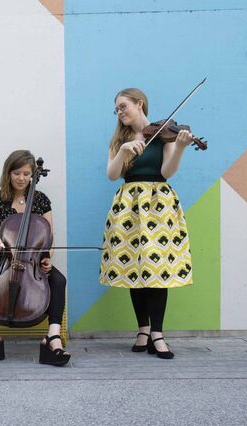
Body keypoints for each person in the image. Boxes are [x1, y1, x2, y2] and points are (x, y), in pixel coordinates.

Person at [100, 88, 194, 359]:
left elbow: (167, 171)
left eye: (123, 106)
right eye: (116, 109)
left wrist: (181, 148)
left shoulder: (164, 133)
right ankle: (142, 330)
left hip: (158, 205)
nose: (120, 112)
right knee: (134, 269)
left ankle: (157, 333)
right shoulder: (119, 139)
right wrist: (124, 151)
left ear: (139, 104)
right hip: (128, 205)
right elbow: (111, 174)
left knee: (157, 268)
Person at [0, 149, 70, 366]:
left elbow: (49, 239)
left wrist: (46, 258)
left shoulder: (40, 200)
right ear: (8, 173)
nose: (21, 178)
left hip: (32, 263)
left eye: (27, 174)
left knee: (59, 280)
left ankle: (52, 337)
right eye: (17, 173)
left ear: (32, 176)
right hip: (2, 261)